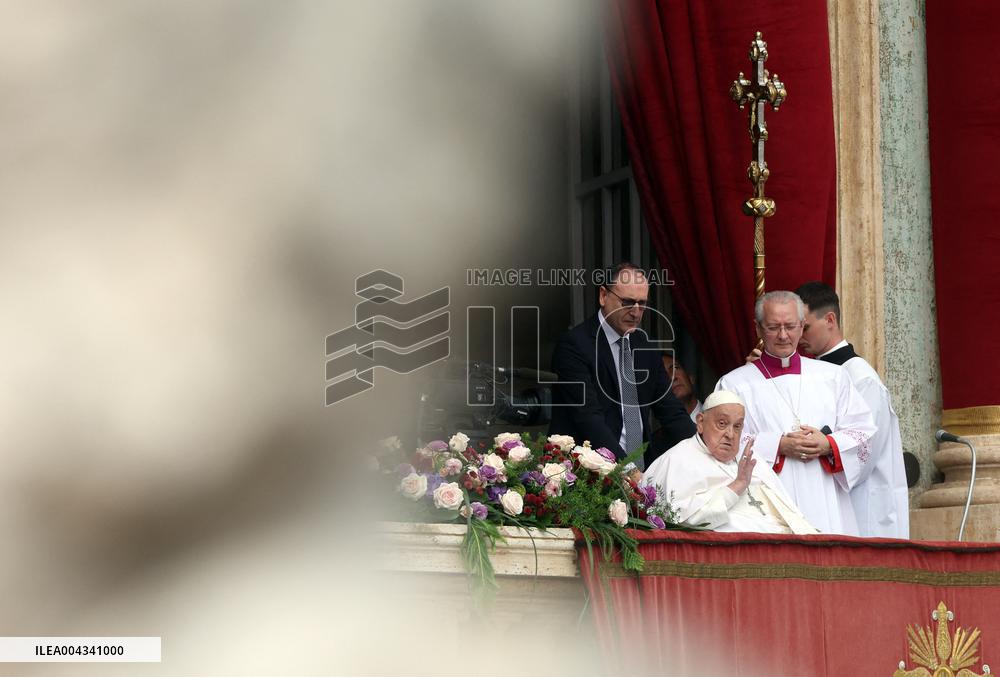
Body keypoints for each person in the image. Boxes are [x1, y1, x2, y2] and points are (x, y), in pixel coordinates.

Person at [715, 290, 876, 535]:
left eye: (790, 326)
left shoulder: (833, 377)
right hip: (767, 503)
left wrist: (828, 444)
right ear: (758, 328)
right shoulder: (734, 384)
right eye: (773, 327)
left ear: (801, 326)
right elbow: (721, 443)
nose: (783, 335)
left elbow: (864, 432)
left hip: (825, 497)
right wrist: (778, 445)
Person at [549, 263, 695, 470]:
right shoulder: (574, 345)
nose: (636, 312)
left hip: (641, 467)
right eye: (627, 302)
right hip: (589, 471)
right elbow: (588, 418)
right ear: (603, 296)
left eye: (642, 304)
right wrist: (627, 470)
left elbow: (671, 410)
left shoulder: (645, 346)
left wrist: (705, 451)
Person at [795, 281, 909, 538]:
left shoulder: (861, 379)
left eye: (806, 327)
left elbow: (864, 449)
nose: (798, 336)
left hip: (865, 508)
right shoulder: (813, 376)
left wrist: (825, 443)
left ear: (830, 320)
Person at [643, 391, 817, 534]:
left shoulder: (750, 458)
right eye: (722, 423)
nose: (730, 434)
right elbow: (681, 520)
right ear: (701, 422)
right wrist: (737, 486)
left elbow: (790, 514)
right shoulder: (678, 459)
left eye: (737, 426)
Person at [662, 353, 702, 422]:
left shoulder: (719, 414)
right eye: (662, 376)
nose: (672, 377)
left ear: (690, 378)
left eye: (675, 368)